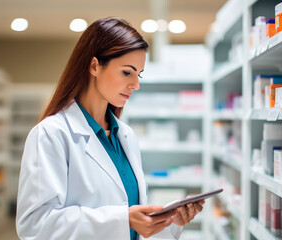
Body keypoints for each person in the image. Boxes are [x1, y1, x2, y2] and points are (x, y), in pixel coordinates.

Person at [16, 17, 204, 240]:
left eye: (139, 74)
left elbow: (134, 223)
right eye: (127, 72)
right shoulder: (51, 134)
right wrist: (122, 220)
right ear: (94, 66)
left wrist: (170, 221)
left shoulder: (126, 136)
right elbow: (35, 225)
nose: (136, 84)